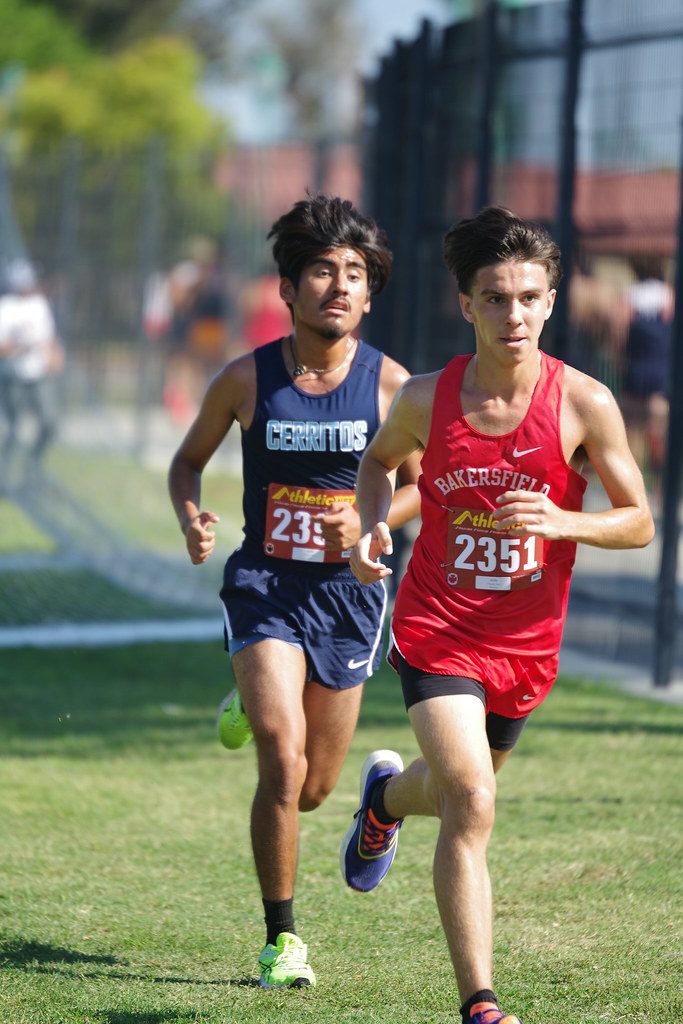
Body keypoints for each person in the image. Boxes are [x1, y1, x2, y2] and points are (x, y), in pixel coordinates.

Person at [339, 206, 654, 1024]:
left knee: (454, 795)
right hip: (437, 626)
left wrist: (563, 520)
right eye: (494, 298)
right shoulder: (425, 398)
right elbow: (377, 465)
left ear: (549, 303)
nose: (512, 315)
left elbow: (639, 522)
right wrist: (371, 526)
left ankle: (382, 803)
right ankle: (479, 1004)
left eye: (527, 298)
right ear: (465, 304)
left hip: (525, 646)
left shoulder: (583, 402)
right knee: (474, 801)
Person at [168, 194, 421, 989]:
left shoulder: (391, 385)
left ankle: (374, 797)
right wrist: (191, 518)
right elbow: (187, 462)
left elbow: (425, 486)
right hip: (265, 587)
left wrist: (370, 520)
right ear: (286, 287)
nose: (337, 286)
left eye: (353, 274)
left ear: (369, 294)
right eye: (319, 270)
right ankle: (281, 941)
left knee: (312, 789)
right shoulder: (246, 379)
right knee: (281, 760)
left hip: (350, 598)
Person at [0, 258, 64, 485]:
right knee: (13, 427)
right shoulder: (6, 307)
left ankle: (32, 468)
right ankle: (5, 476)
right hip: (13, 376)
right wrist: (23, 346)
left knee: (50, 422)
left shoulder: (39, 304)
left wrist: (55, 354)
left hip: (39, 375)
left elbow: (49, 337)